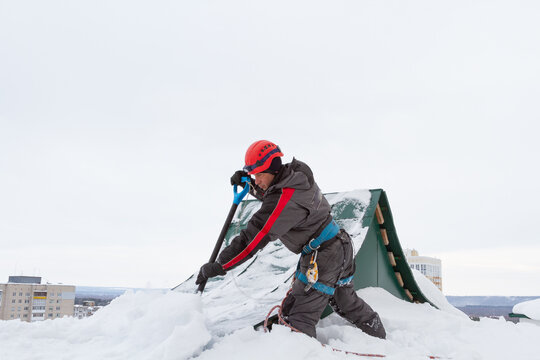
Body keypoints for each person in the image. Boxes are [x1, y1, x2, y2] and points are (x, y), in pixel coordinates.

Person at [195, 140, 386, 339]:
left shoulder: (284, 197)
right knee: (345, 301)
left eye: (259, 174)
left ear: (273, 169)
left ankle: (301, 351)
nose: (257, 179)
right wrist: (250, 184)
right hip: (339, 245)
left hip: (323, 256)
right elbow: (274, 195)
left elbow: (252, 237)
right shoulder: (296, 174)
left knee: (297, 318)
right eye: (254, 175)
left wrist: (221, 264)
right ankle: (380, 337)